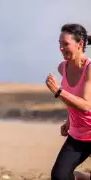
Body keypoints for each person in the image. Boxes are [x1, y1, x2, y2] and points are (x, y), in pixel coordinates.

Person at [46, 23, 91, 180]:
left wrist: (59, 91)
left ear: (80, 44)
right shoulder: (62, 68)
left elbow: (86, 105)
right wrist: (69, 120)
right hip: (78, 135)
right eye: (60, 44)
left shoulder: (90, 68)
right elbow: (73, 97)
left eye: (65, 44)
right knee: (59, 177)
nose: (61, 48)